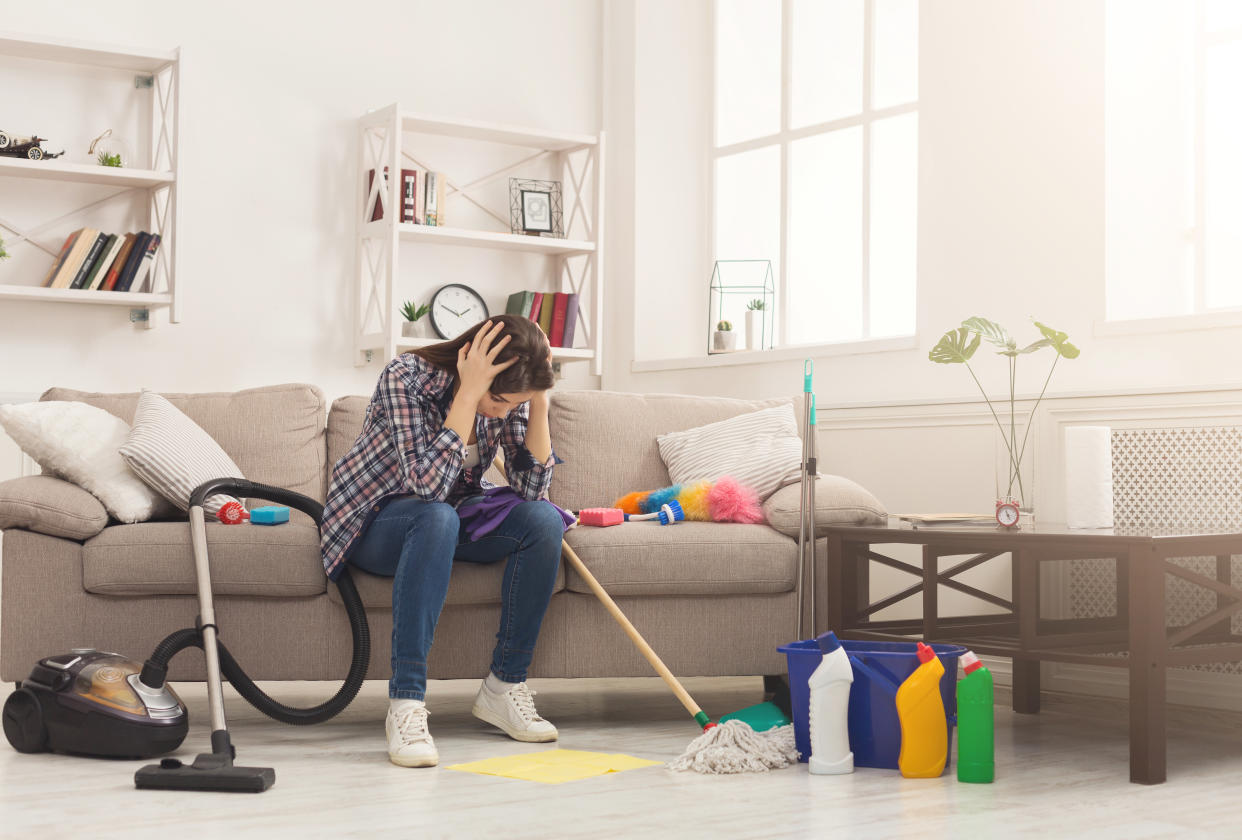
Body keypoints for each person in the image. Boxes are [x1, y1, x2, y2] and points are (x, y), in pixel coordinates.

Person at [320, 315, 570, 767]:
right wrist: (469, 396)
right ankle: (407, 703)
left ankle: (503, 687)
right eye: (500, 400)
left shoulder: (509, 402)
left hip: (449, 520)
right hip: (374, 521)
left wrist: (539, 399)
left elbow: (532, 488)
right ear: (473, 367)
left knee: (541, 519)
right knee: (436, 516)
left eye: (514, 403)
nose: (502, 411)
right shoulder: (406, 377)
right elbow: (428, 486)